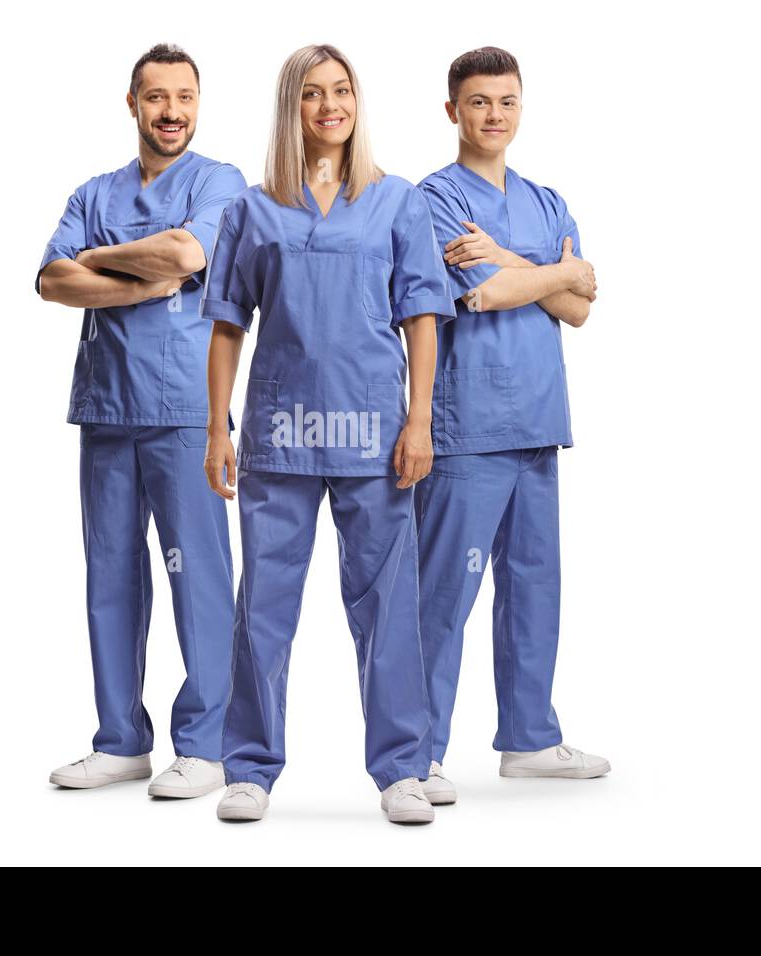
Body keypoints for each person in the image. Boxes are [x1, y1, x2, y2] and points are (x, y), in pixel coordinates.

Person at [200, 44, 456, 824]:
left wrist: (419, 420)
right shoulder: (253, 207)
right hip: (282, 431)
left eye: (341, 91)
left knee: (387, 607)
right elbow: (225, 325)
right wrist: (219, 427)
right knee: (264, 607)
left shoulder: (396, 201)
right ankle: (248, 767)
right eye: (312, 93)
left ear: (357, 102)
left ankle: (401, 768)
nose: (329, 106)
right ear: (292, 107)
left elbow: (421, 315)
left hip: (374, 433)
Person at [35, 44, 246, 799]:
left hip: (187, 408)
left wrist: (104, 261)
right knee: (112, 576)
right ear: (133, 104)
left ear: (198, 103)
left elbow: (188, 252)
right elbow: (53, 279)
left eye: (184, 97)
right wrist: (136, 283)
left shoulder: (219, 183)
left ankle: (209, 743)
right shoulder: (95, 189)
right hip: (106, 408)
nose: (171, 112)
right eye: (157, 98)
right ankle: (120, 741)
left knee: (198, 576)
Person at [414, 47, 611, 806]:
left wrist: (520, 267)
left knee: (534, 587)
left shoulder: (546, 200)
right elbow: (485, 294)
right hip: (469, 427)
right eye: (478, 102)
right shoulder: (431, 199)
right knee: (444, 595)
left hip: (537, 420)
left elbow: (581, 308)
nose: (493, 115)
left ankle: (529, 738)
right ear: (452, 111)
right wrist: (548, 271)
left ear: (520, 107)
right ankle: (419, 750)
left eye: (506, 102)